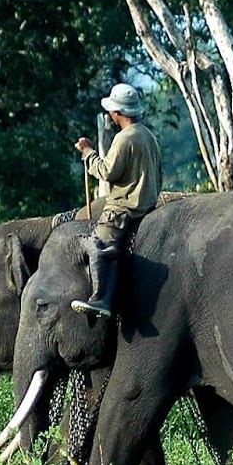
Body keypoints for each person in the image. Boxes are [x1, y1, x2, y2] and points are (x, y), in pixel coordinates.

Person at [70, 82, 162, 317]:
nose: (110, 114)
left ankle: (101, 299)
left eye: (112, 110)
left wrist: (87, 152)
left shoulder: (125, 139)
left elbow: (107, 171)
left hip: (123, 210)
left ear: (117, 113)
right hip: (148, 206)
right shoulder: (148, 136)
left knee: (97, 244)